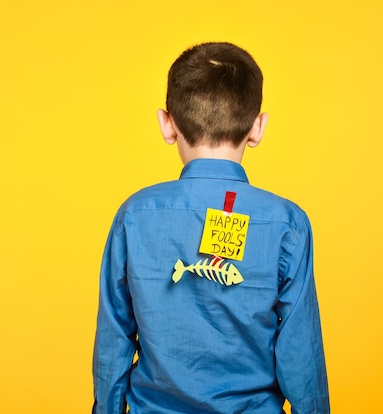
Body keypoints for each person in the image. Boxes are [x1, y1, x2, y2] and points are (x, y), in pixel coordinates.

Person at [92, 42, 329, 414]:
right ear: (257, 128)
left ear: (167, 124)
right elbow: (301, 352)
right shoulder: (287, 224)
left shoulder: (135, 215)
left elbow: (114, 339)